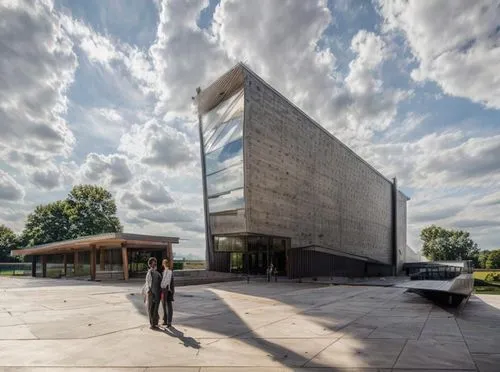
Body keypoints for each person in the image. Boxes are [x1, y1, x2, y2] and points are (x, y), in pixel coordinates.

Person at [145, 257, 162, 329]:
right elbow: (147, 283)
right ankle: (152, 324)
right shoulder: (149, 273)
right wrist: (148, 291)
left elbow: (161, 284)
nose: (154, 264)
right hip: (151, 293)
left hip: (157, 293)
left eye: (155, 263)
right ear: (150, 264)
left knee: (155, 308)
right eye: (153, 263)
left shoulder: (158, 273)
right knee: (151, 308)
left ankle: (155, 322)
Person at [160, 258, 175, 327]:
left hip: (168, 291)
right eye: (164, 263)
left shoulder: (170, 272)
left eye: (166, 263)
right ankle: (165, 320)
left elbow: (171, 283)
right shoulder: (163, 272)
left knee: (169, 306)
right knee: (163, 306)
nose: (165, 264)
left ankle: (169, 322)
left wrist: (171, 291)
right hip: (163, 290)